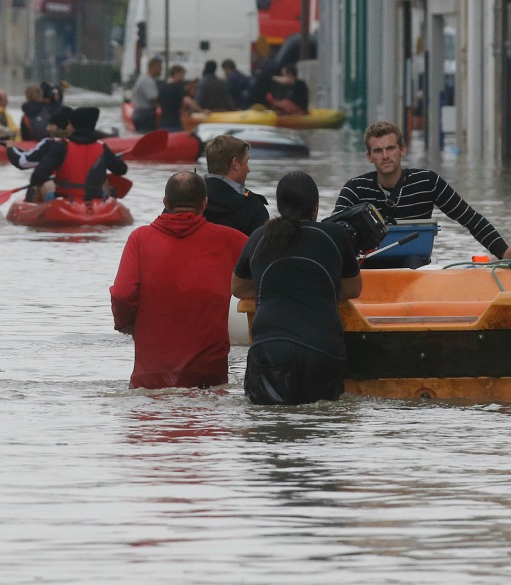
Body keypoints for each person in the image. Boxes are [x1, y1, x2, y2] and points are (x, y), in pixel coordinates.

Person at [233, 171, 362, 405]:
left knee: (269, 422)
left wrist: (271, 288)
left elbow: (238, 287)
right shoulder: (335, 235)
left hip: (270, 350)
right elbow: (353, 289)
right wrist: (319, 288)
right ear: (315, 207)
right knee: (320, 422)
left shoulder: (260, 237)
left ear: (280, 206)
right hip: (322, 351)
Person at [110, 171, 249, 389]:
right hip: (208, 375)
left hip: (151, 376)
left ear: (165, 202)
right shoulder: (232, 240)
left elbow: (122, 294)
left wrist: (125, 324)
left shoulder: (140, 239)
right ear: (204, 203)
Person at [334, 122, 510, 259]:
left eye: (390, 148)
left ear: (402, 150)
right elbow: (333, 231)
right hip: (367, 266)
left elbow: (471, 220)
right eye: (378, 151)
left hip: (414, 265)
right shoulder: (355, 188)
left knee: (413, 261)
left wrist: (506, 254)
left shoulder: (428, 181)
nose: (385, 156)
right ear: (369, 157)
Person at [26, 107, 126, 202]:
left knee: (45, 184)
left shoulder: (61, 146)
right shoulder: (102, 147)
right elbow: (122, 170)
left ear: (75, 126)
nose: (67, 127)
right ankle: (107, 200)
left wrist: (53, 180)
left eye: (70, 124)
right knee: (105, 180)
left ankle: (37, 204)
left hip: (66, 202)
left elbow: (37, 177)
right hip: (96, 203)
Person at [202, 135, 269, 235]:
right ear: (235, 164)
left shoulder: (190, 199)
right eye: (246, 162)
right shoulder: (253, 206)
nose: (248, 169)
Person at [7, 106, 72, 174]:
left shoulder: (48, 143)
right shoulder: (76, 143)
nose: (47, 128)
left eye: (50, 125)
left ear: (56, 127)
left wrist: (10, 148)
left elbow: (21, 163)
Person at [130, 58, 163, 133]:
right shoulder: (147, 81)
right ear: (153, 67)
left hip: (141, 113)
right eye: (160, 68)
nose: (161, 70)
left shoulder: (143, 78)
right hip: (145, 115)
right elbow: (154, 98)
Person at [156, 65, 188, 131]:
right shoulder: (177, 88)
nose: (183, 77)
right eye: (182, 75)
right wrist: (200, 110)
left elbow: (158, 101)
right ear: (176, 73)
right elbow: (186, 100)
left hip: (163, 122)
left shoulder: (162, 87)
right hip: (174, 123)